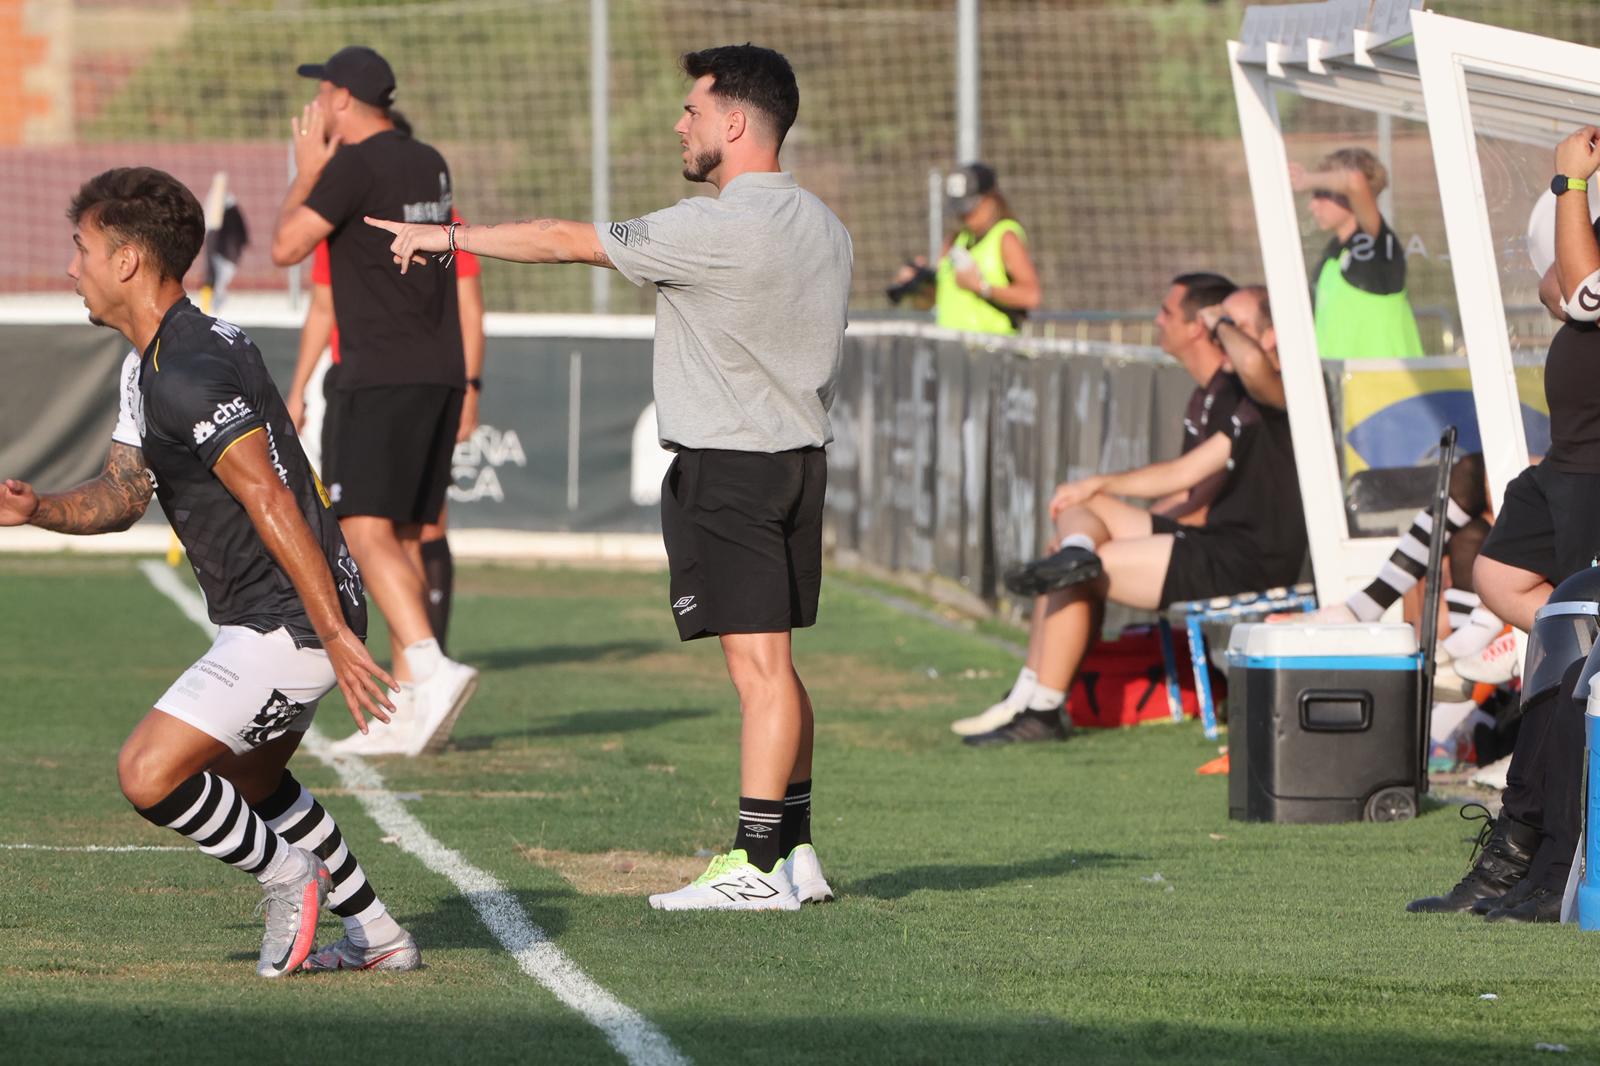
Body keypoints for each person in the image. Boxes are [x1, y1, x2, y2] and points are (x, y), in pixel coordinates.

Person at [366, 44, 851, 911]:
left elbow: (561, 240)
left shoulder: (714, 227)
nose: (681, 123)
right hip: (797, 464)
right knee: (779, 665)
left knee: (761, 673)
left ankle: (750, 863)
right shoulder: (825, 225)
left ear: (735, 123)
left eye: (693, 111)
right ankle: (795, 847)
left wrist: (446, 236)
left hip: (733, 469)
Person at [0, 166, 417, 976]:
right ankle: (379, 934)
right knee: (252, 781)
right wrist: (38, 507)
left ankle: (287, 877)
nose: (71, 267)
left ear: (127, 261)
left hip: (289, 619)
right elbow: (125, 494)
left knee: (149, 773)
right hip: (283, 612)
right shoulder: (152, 361)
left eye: (81, 249)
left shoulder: (188, 369)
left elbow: (267, 497)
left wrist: (330, 632)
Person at [958, 281, 1308, 744]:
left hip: (1244, 560)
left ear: (1273, 338)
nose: (1220, 333)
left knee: (1076, 573)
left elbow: (1198, 485)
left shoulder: (1286, 391)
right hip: (1216, 546)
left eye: (1235, 324)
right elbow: (1187, 473)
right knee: (1077, 511)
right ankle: (1029, 687)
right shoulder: (1245, 399)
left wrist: (1217, 322)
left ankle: (1042, 710)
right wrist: (1101, 484)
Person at [1409, 126, 1600, 923]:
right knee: (1497, 576)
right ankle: (1523, 850)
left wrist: (1567, 184)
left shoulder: (1576, 185)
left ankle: (1545, 859)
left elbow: (1585, 294)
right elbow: (1560, 288)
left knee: (1562, 674)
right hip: (1566, 463)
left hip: (1595, 472)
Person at [270, 46, 478, 755]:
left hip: (380, 372)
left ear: (341, 99)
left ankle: (426, 667)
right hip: (437, 369)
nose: (317, 106)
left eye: (322, 93)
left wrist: (307, 174)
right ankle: (407, 710)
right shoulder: (429, 160)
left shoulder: (352, 166)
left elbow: (286, 247)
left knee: (362, 530)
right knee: (403, 533)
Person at [1290, 146, 1424, 360]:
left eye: (1321, 194)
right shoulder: (1333, 257)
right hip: (1346, 389)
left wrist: (1307, 179)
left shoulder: (1377, 248)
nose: (1312, 205)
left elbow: (1355, 181)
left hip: (1392, 390)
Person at [887, 162, 1041, 335]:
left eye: (971, 207)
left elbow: (1031, 296)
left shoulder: (1005, 237)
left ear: (991, 199)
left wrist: (983, 288)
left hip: (994, 353)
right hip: (952, 351)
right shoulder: (953, 241)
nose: (965, 216)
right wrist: (917, 286)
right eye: (960, 208)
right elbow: (935, 302)